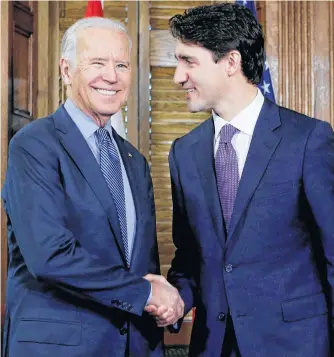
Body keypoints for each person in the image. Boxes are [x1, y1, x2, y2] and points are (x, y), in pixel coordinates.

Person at [150, 3, 334, 357]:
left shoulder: (308, 140)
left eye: (189, 61)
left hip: (296, 346)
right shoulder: (184, 153)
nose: (177, 76)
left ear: (231, 62)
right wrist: (172, 301)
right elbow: (191, 259)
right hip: (214, 346)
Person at [1, 17, 183, 357]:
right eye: (97, 63)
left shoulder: (134, 161)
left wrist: (164, 302)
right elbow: (49, 256)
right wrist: (145, 294)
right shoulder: (35, 145)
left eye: (121, 64)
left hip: (133, 346)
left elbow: (142, 266)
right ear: (67, 71)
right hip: (60, 347)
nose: (111, 76)